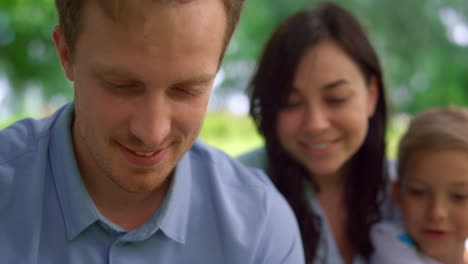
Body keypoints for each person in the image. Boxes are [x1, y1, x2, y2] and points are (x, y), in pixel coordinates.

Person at [0, 0, 305, 263]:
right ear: (66, 54)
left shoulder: (260, 226)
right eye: (122, 86)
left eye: (186, 90)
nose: (152, 133)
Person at [238, 2, 397, 263]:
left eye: (336, 99)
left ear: (371, 95)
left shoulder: (410, 189)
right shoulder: (234, 193)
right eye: (291, 103)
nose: (315, 124)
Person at [371, 107, 468, 264]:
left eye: (459, 196)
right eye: (419, 192)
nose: (437, 213)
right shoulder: (389, 251)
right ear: (397, 193)